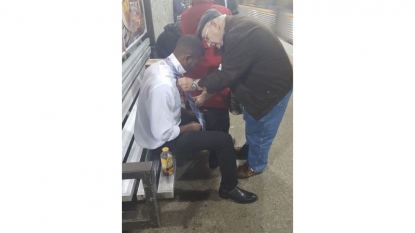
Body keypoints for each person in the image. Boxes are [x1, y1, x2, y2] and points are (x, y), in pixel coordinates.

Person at [134, 35, 258, 204]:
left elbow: (165, 108)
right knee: (225, 140)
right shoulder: (163, 85)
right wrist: (190, 127)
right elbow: (163, 133)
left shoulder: (160, 67)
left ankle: (217, 157)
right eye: (196, 62)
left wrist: (189, 114)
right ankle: (228, 188)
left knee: (209, 115)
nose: (196, 67)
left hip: (162, 125)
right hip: (162, 143)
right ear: (187, 58)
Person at [177, 9, 293, 179]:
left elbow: (226, 76)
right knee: (251, 120)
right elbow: (227, 71)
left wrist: (195, 83)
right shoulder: (232, 30)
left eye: (207, 37)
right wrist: (205, 96)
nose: (209, 44)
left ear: (215, 24)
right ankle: (249, 149)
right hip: (258, 85)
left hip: (272, 90)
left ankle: (256, 165)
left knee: (262, 129)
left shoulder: (239, 35)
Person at [180, 0, 232, 169]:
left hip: (192, 78)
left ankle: (199, 148)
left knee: (197, 116)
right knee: (220, 122)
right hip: (217, 80)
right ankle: (215, 157)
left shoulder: (185, 15)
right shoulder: (223, 11)